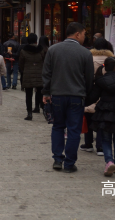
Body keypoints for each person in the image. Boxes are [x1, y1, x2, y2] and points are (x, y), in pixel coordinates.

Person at [42, 22, 94, 173]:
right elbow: (89, 78)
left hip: (57, 95)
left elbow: (46, 73)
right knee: (73, 130)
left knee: (58, 126)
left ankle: (58, 159)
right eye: (84, 34)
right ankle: (69, 163)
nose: (85, 37)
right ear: (77, 34)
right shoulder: (85, 53)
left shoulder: (53, 50)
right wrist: (87, 95)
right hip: (77, 97)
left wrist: (46, 92)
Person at [82, 37, 115, 154]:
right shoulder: (112, 59)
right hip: (106, 91)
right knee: (102, 119)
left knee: (89, 116)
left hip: (91, 91)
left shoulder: (88, 57)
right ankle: (100, 146)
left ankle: (88, 143)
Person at [19, 33, 47, 121]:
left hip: (28, 74)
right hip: (40, 74)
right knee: (40, 93)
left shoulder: (23, 51)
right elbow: (45, 61)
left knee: (28, 94)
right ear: (36, 40)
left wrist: (24, 71)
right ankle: (45, 111)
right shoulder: (41, 50)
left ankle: (29, 113)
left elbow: (21, 64)